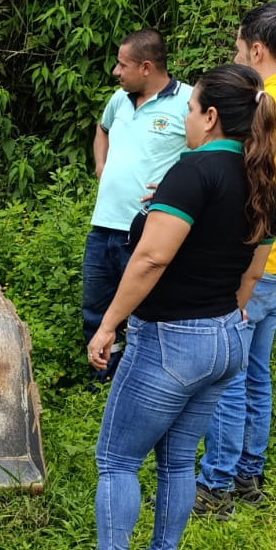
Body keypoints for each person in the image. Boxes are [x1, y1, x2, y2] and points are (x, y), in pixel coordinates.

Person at [43, 65, 276, 550]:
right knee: (177, 461)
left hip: (170, 341)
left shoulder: (192, 172)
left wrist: (109, 324)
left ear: (211, 116)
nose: (187, 119)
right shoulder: (264, 182)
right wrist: (221, 315)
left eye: (191, 110)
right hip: (227, 337)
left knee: (117, 458)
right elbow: (252, 273)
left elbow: (151, 258)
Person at [194, 2, 276, 516]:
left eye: (237, 49)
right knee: (255, 373)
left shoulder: (263, 103)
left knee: (227, 375)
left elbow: (236, 174)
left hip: (253, 260)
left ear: (256, 49)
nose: (236, 58)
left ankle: (217, 486)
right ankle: (249, 476)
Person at [85, 30, 191, 380]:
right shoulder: (119, 99)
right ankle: (102, 382)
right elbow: (102, 129)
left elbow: (205, 152)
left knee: (144, 315)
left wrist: (177, 185)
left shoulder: (188, 101)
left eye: (122, 65)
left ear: (146, 67)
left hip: (147, 230)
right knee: (96, 311)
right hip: (103, 226)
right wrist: (101, 164)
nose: (116, 71)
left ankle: (139, 383)